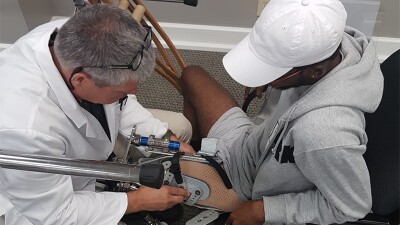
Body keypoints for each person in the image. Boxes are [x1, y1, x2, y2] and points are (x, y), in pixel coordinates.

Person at [180, 0, 383, 224]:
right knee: (192, 75)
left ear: (315, 72)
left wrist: (264, 211)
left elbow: (354, 206)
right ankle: (199, 150)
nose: (264, 77)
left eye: (273, 72)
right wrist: (269, 79)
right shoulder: (333, 42)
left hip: (248, 184)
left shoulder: (323, 133)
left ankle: (205, 168)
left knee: (150, 173)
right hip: (250, 143)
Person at [0, 4, 194, 225]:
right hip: (39, 205)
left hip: (87, 154)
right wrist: (136, 201)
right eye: (122, 91)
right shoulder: (26, 129)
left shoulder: (74, 35)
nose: (133, 94)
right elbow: (57, 215)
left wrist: (165, 137)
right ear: (80, 80)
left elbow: (122, 101)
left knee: (182, 127)